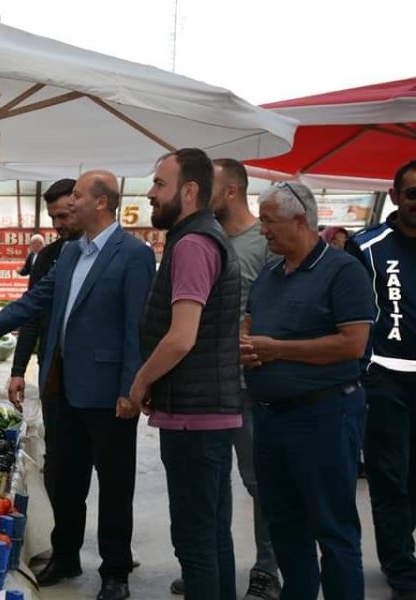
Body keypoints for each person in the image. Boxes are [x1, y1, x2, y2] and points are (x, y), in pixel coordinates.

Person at [0, 170, 156, 600]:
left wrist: (131, 388)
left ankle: (115, 571)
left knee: (116, 484)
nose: (70, 203)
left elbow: (135, 329)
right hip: (61, 387)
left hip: (108, 392)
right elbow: (33, 302)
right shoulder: (67, 254)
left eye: (78, 196)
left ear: (100, 202)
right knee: (66, 479)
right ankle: (65, 555)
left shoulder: (133, 254)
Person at [243, 181, 374, 599]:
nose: (262, 229)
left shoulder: (342, 270)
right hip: (270, 418)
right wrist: (245, 347)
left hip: (324, 417)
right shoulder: (269, 272)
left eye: (268, 221)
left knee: (332, 529)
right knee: (284, 525)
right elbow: (250, 327)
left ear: (300, 221)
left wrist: (277, 349)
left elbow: (352, 344)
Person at [128, 148, 242, 600]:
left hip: (196, 419)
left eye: (159, 184)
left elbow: (181, 337)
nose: (151, 193)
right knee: (213, 534)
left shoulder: (194, 245)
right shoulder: (201, 237)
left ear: (188, 191)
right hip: (207, 412)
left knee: (195, 541)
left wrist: (140, 383)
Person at [167, 159, 281, 599]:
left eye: (205, 186)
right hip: (205, 385)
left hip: (249, 382)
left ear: (230, 191)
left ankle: (266, 570)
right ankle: (208, 567)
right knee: (211, 482)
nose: (192, 192)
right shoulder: (201, 239)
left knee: (257, 480)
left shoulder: (263, 242)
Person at [347, 160, 416, 600]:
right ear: (394, 195)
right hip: (385, 383)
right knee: (390, 481)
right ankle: (402, 570)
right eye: (412, 194)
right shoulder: (366, 246)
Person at [6, 178, 80, 502]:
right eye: (53, 218)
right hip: (53, 372)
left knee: (96, 463)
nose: (59, 225)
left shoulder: (119, 255)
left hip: (96, 379)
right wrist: (18, 369)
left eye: (65, 216)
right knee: (58, 454)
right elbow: (31, 314)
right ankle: (57, 535)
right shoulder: (49, 256)